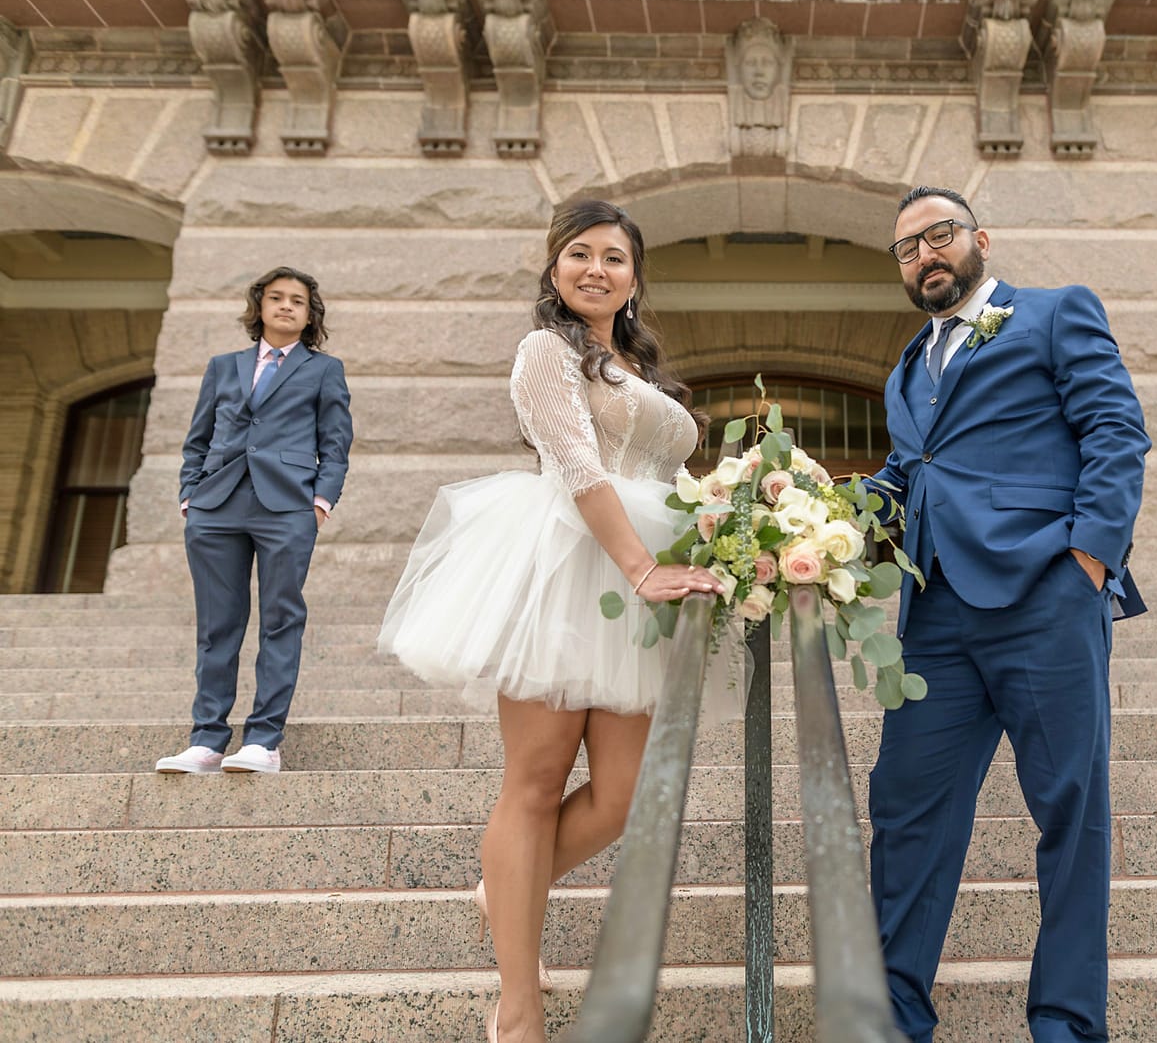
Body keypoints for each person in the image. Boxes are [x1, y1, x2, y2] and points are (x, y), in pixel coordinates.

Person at [376, 199, 728, 1043]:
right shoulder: (545, 351)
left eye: (614, 257)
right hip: (565, 568)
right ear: (555, 269)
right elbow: (574, 461)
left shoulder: (639, 369)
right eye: (580, 253)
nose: (596, 269)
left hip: (641, 593)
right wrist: (640, 565)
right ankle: (519, 1005)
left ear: (634, 278)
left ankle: (506, 888)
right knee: (534, 785)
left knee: (624, 796)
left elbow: (664, 477)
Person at [867, 185, 1149, 1043]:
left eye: (939, 234)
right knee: (905, 809)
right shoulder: (904, 371)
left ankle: (1064, 1020)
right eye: (908, 248)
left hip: (1044, 597)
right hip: (936, 618)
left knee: (1070, 807)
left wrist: (1088, 560)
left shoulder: (1056, 312)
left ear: (979, 239)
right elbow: (905, 480)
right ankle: (891, 1013)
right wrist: (799, 513)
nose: (925, 254)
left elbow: (1114, 428)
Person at [156, 267, 352, 776]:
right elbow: (198, 437)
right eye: (277, 298)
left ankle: (263, 741)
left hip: (287, 507)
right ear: (260, 306)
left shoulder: (324, 370)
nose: (287, 306)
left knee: (280, 620)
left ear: (310, 316)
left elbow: (335, 443)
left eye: (298, 301)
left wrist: (321, 502)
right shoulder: (224, 366)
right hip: (215, 506)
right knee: (217, 625)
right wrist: (188, 495)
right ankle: (207, 740)